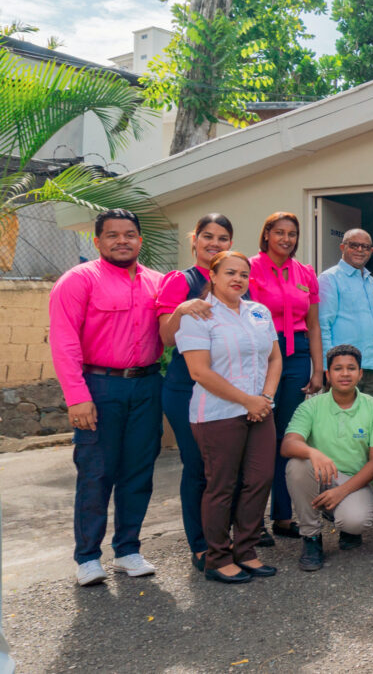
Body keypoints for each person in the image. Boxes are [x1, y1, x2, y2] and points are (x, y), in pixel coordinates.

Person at [49, 209, 166, 586]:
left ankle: (128, 550)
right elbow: (64, 341)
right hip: (99, 387)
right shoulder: (78, 280)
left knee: (139, 471)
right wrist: (76, 397)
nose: (121, 241)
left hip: (147, 385)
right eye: (112, 235)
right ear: (97, 241)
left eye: (129, 234)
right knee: (96, 472)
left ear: (140, 240)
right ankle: (87, 557)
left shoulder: (158, 283)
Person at [176, 251, 282, 584]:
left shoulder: (259, 312)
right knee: (222, 486)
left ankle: (246, 551)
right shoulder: (198, 315)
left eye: (244, 274)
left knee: (260, 479)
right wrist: (247, 400)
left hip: (260, 411)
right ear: (213, 275)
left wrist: (265, 399)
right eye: (230, 273)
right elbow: (199, 371)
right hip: (218, 414)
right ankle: (218, 557)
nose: (238, 279)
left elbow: (275, 358)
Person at [155, 213, 235, 570]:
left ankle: (221, 537)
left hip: (225, 388)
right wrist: (182, 308)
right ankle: (200, 544)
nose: (214, 243)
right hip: (186, 388)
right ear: (194, 240)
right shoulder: (181, 281)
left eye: (222, 238)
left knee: (224, 468)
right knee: (199, 466)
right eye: (208, 236)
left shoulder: (232, 279)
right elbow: (166, 337)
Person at [248, 212, 324, 540]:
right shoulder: (249, 267)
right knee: (257, 438)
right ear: (266, 234)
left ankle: (282, 516)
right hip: (261, 354)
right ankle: (252, 523)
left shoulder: (305, 273)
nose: (286, 239)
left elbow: (314, 325)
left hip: (297, 356)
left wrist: (318, 368)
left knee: (286, 437)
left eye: (292, 233)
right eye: (279, 232)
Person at [282, 344, 373, 572]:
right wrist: (313, 453)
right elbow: (288, 444)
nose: (345, 374)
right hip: (320, 476)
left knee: (356, 521)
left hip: (354, 481)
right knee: (297, 465)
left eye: (351, 368)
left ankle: (344, 522)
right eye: (338, 369)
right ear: (328, 375)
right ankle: (311, 536)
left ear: (360, 374)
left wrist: (342, 491)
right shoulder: (311, 406)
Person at [318, 228, 373, 403]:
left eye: (365, 247)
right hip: (345, 369)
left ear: (371, 251)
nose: (360, 250)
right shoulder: (329, 279)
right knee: (343, 416)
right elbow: (323, 325)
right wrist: (328, 368)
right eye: (354, 245)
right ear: (342, 247)